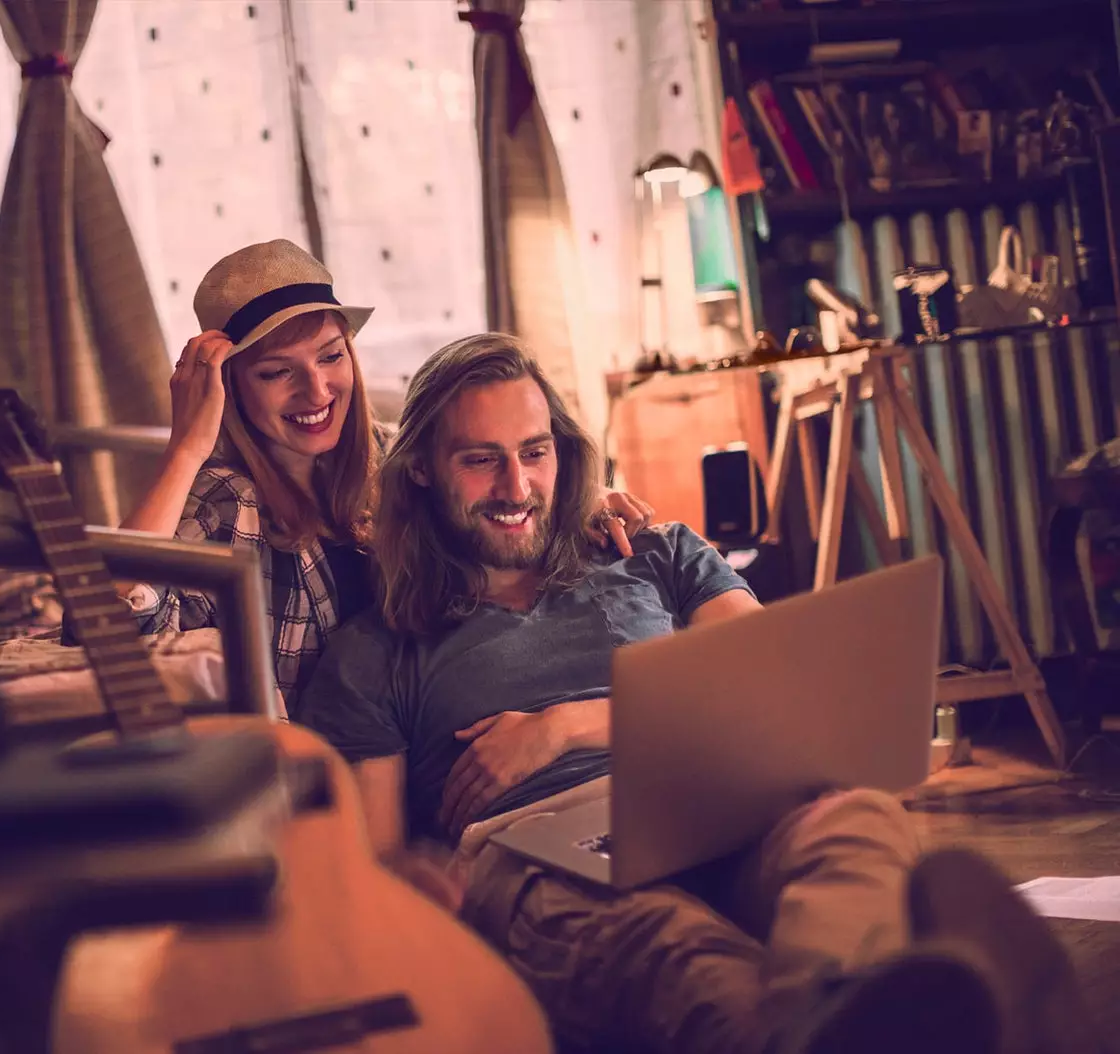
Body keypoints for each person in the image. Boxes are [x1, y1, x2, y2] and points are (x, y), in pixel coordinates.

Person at [298, 332, 1100, 1054]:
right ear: (425, 476)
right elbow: (379, 867)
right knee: (665, 940)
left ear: (563, 452)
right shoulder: (375, 652)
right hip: (537, 854)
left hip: (712, 801)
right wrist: (425, 882)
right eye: (481, 459)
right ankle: (948, 1020)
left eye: (534, 451)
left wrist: (567, 727)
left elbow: (774, 690)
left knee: (852, 820)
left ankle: (851, 1011)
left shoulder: (654, 555)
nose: (517, 484)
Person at [116, 239, 653, 706]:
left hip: (452, 704)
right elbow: (111, 626)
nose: (317, 392)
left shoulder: (388, 453)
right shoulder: (229, 505)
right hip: (338, 757)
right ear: (230, 386)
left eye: (330, 357)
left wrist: (588, 498)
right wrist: (186, 448)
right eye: (278, 372)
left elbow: (496, 483)